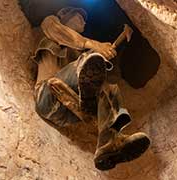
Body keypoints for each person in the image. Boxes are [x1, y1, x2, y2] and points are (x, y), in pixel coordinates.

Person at [32, 7, 150, 171]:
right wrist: (93, 45)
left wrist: (106, 53)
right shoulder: (52, 23)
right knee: (89, 59)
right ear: (64, 14)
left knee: (111, 88)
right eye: (80, 18)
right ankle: (90, 101)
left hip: (68, 112)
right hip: (47, 96)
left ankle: (107, 143)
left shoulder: (79, 52)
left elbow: (96, 69)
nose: (84, 22)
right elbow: (57, 31)